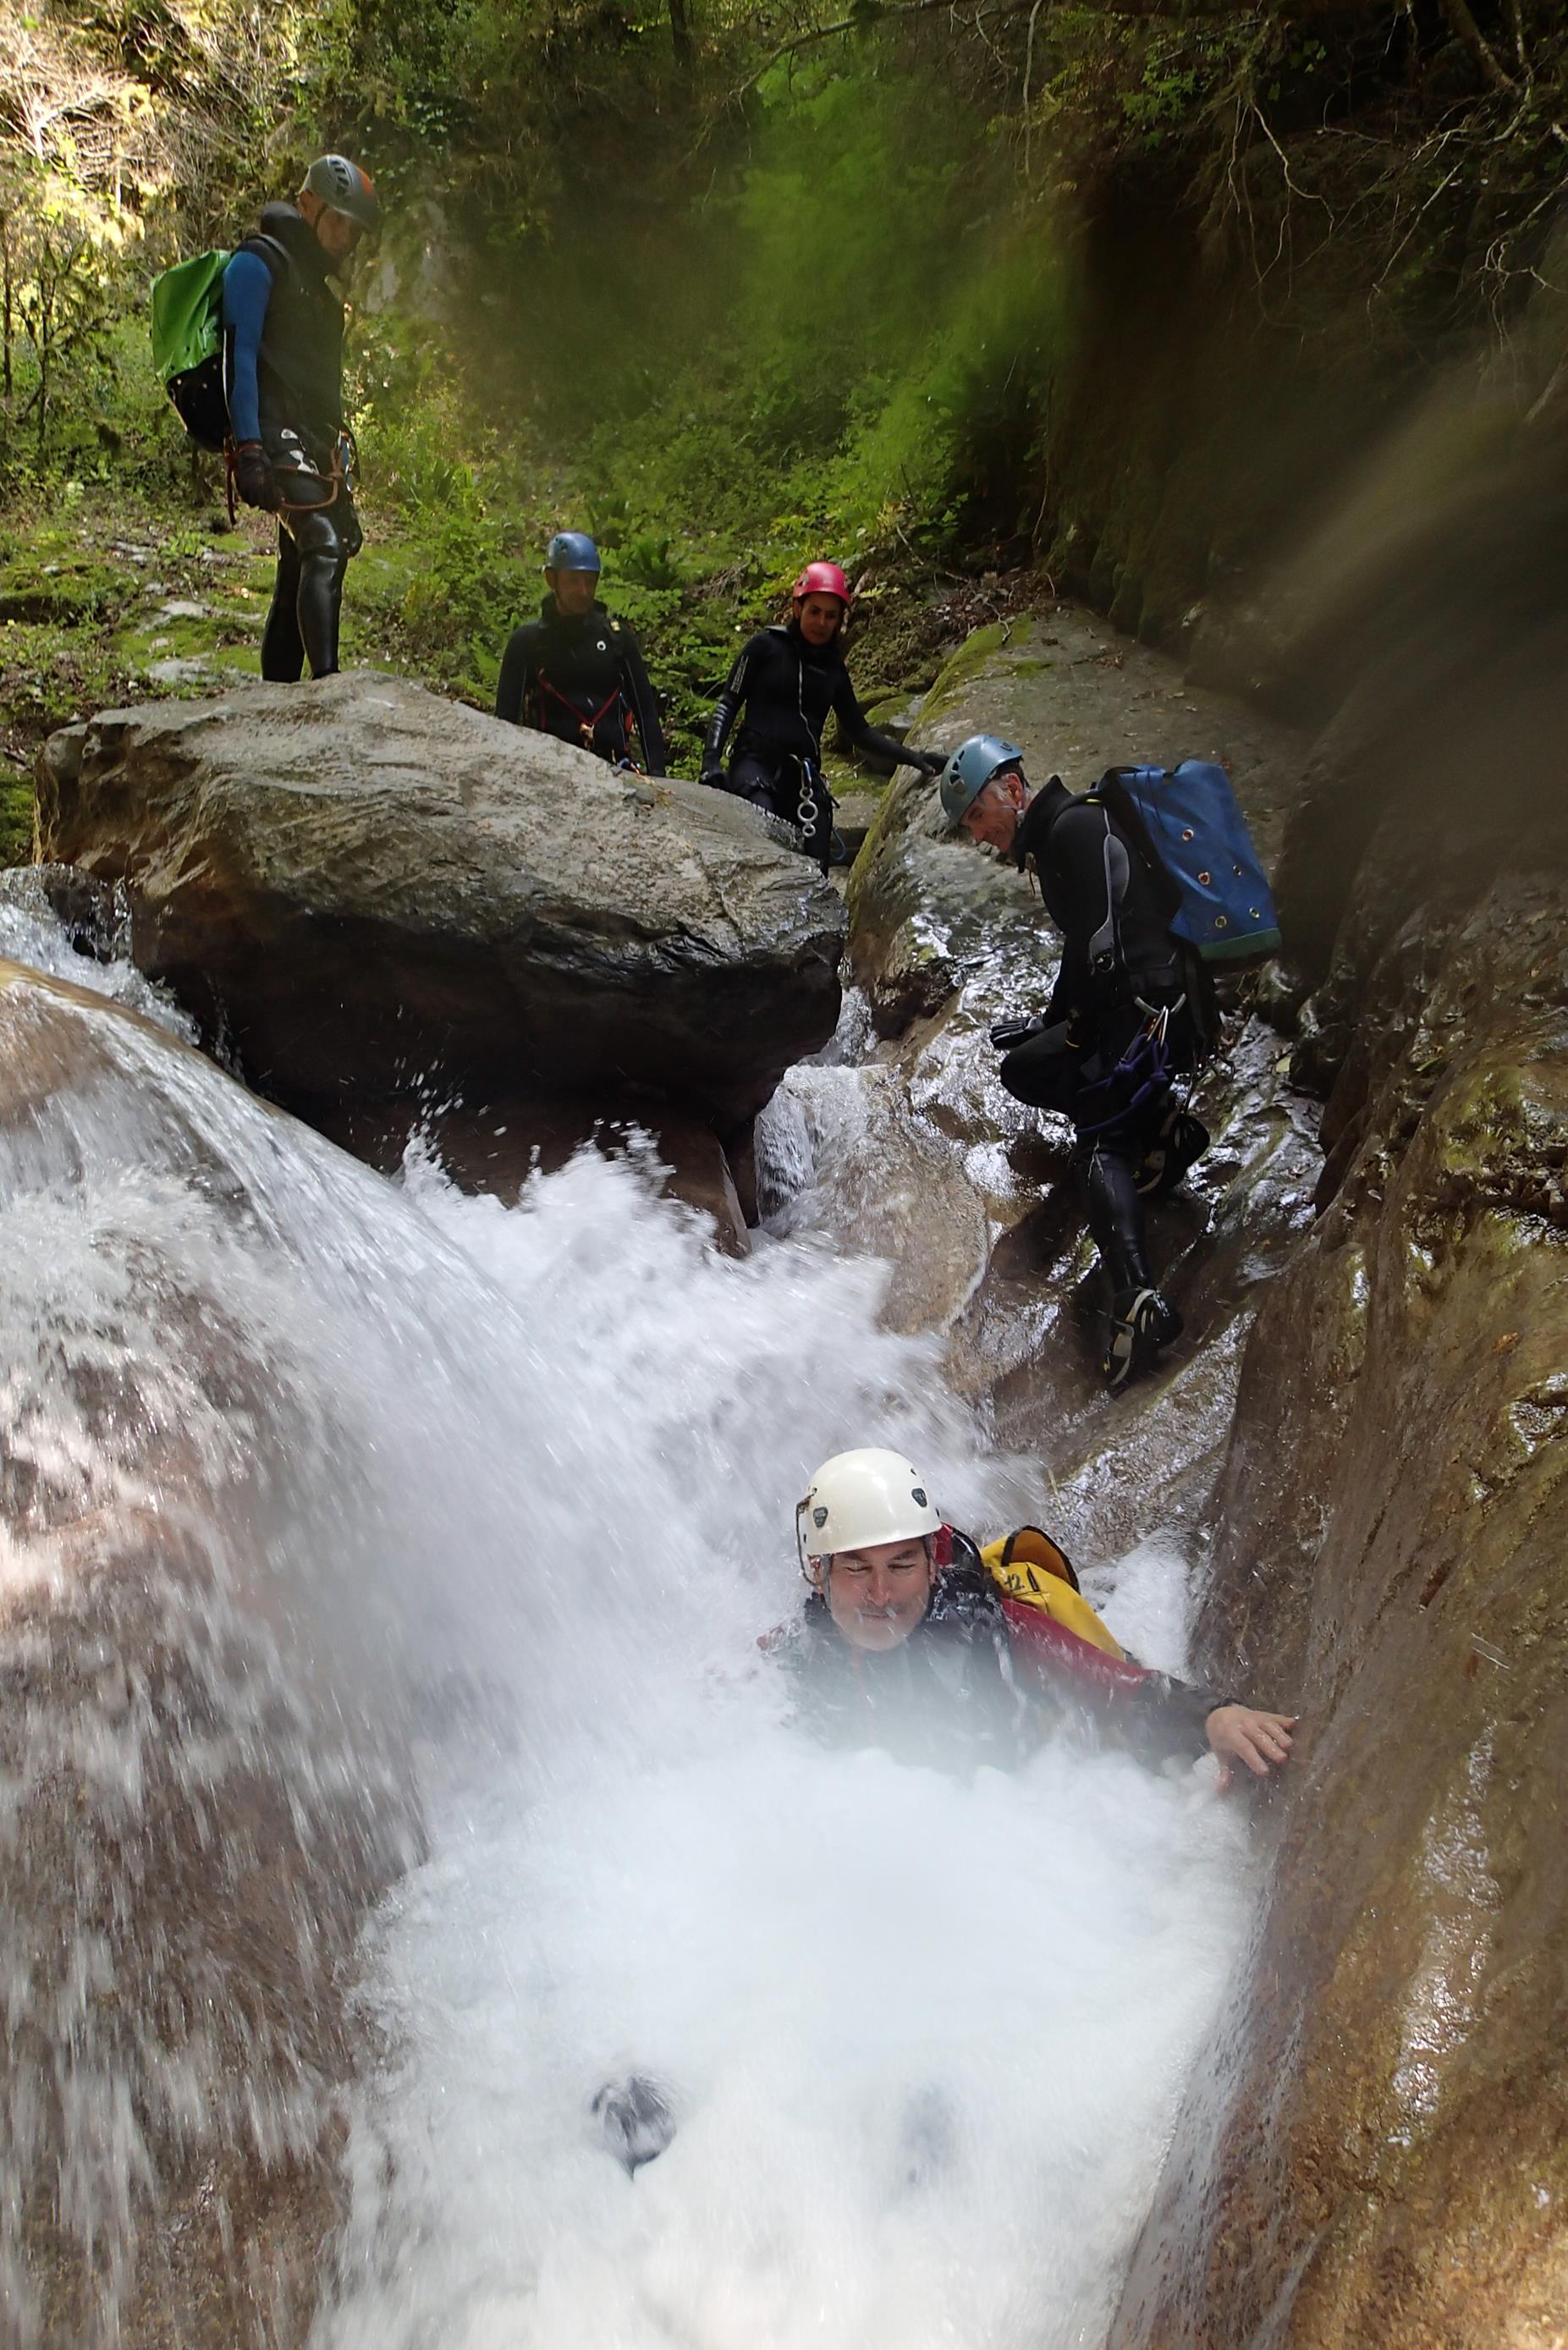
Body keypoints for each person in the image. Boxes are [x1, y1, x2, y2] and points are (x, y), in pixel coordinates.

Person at [939, 735, 1216, 1390]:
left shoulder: (1073, 826)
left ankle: (1136, 1300)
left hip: (1150, 1008)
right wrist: (1051, 1025)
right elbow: (1082, 948)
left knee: (1096, 1139)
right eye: (971, 826)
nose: (979, 834)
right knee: (1023, 1069)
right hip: (1147, 1004)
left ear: (1012, 789)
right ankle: (1163, 1127)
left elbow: (1100, 946)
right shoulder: (1062, 834)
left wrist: (1081, 1034)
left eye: (979, 817)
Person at [781, 1448, 1296, 1782]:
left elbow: (1115, 1687)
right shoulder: (792, 1657)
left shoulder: (995, 1629)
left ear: (932, 1566)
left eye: (900, 1565)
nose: (881, 1594)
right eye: (856, 1568)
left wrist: (1213, 1716)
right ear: (818, 1572)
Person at [223, 153, 380, 682]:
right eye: (337, 221)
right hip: (271, 430)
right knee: (320, 545)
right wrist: (249, 448)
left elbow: (323, 392)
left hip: (311, 439)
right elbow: (239, 354)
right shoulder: (258, 262)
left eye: (353, 230)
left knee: (300, 564)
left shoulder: (322, 295)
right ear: (307, 205)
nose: (345, 238)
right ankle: (329, 685)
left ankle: (280, 690)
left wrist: (340, 454)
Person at [700, 562, 944, 863]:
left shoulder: (834, 671)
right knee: (761, 824)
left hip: (802, 779)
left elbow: (859, 731)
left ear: (840, 619)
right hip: (754, 765)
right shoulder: (763, 648)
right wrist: (711, 762)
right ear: (797, 608)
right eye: (814, 611)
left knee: (817, 853)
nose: (821, 622)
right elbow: (728, 702)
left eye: (831, 615)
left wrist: (914, 758)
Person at [495, 533, 668, 773]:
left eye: (590, 581)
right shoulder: (529, 643)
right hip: (548, 770)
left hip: (615, 769)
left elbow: (646, 712)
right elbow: (505, 720)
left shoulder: (617, 639)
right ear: (551, 579)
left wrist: (658, 776)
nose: (584, 591)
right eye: (573, 581)